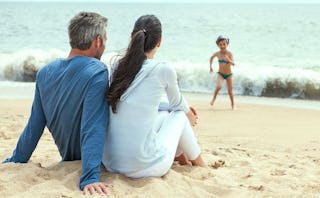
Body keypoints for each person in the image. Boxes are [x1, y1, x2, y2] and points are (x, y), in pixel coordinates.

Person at [3, 12, 111, 195]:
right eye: (105, 40)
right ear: (97, 41)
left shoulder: (45, 72)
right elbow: (92, 126)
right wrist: (90, 176)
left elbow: (34, 125)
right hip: (100, 160)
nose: (105, 45)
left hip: (68, 157)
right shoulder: (97, 71)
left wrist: (17, 159)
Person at [102, 15, 205, 179]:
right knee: (179, 115)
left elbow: (141, 102)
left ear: (132, 37)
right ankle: (200, 163)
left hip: (112, 164)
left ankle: (183, 158)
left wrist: (173, 107)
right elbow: (178, 103)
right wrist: (189, 114)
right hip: (147, 167)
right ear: (160, 41)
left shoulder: (116, 64)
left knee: (165, 114)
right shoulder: (163, 69)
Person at [209, 35, 235, 109]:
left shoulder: (229, 54)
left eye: (224, 44)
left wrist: (229, 60)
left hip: (229, 74)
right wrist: (211, 67)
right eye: (220, 44)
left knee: (230, 91)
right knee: (219, 86)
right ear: (218, 45)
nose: (222, 46)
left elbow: (233, 64)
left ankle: (232, 104)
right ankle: (213, 99)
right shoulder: (218, 54)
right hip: (220, 74)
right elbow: (211, 58)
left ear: (227, 44)